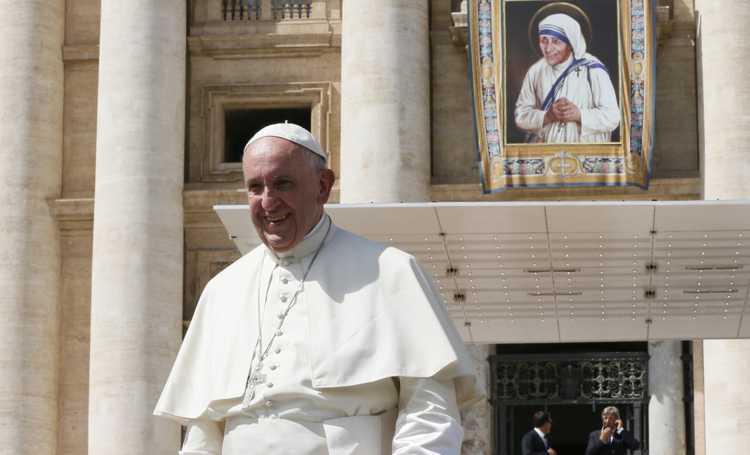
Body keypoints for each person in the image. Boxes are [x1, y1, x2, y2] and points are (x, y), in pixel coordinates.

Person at [154, 122, 486, 455]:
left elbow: (429, 413)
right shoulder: (221, 290)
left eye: (283, 183)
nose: (268, 202)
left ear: (323, 186)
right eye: (255, 187)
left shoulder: (392, 272)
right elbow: (203, 434)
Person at [515, 13, 619, 143]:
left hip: (587, 156)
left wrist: (579, 115)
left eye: (556, 41)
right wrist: (547, 116)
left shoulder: (593, 70)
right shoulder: (535, 71)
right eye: (544, 40)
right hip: (545, 156)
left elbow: (612, 117)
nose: (547, 48)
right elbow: (520, 117)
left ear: (570, 43)